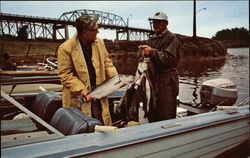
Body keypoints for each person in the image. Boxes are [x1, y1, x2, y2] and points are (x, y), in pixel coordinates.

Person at [57, 14, 118, 126]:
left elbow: (107, 62)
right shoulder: (65, 48)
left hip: (99, 92)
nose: (98, 32)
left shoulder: (99, 42)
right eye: (95, 30)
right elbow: (65, 75)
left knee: (102, 122)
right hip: (80, 97)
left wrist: (115, 79)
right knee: (83, 126)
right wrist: (82, 91)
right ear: (84, 33)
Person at [139, 12, 180, 122]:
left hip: (167, 81)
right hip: (152, 79)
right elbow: (149, 58)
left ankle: (168, 137)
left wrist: (152, 52)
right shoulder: (151, 39)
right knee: (152, 111)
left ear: (166, 23)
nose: (155, 24)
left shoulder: (172, 38)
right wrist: (143, 52)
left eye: (158, 22)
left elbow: (169, 59)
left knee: (166, 114)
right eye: (154, 22)